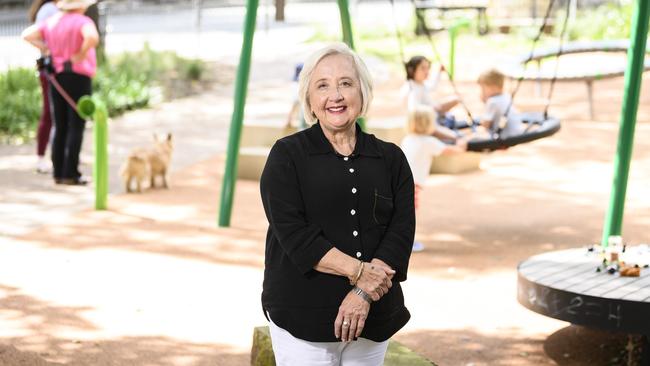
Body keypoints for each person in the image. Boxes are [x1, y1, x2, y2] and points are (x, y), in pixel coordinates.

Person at [260, 43, 415, 366]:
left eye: (346, 83)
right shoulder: (287, 156)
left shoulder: (390, 158)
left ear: (363, 92)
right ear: (310, 101)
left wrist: (363, 294)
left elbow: (400, 233)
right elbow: (295, 235)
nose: (336, 95)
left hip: (373, 316)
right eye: (323, 85)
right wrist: (359, 272)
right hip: (302, 317)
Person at [22, 0, 99, 185]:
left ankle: (58, 172)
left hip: (56, 76)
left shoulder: (52, 21)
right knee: (76, 124)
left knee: (60, 123)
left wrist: (47, 49)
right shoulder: (82, 22)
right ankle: (71, 173)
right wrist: (80, 54)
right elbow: (92, 38)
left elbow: (27, 35)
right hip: (78, 76)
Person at [400, 106, 467, 252]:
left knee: (401, 212)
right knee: (409, 214)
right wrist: (462, 142)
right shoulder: (428, 141)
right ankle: (407, 243)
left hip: (399, 181)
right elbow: (454, 151)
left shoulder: (409, 139)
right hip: (412, 184)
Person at [28, 0, 59, 173]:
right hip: (50, 69)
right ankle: (41, 158)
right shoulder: (49, 10)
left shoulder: (53, 8)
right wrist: (48, 50)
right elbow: (32, 35)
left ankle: (62, 154)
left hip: (55, 68)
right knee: (49, 113)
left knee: (58, 114)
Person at [400, 55, 459, 141]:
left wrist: (439, 72)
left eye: (428, 68)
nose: (427, 71)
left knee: (456, 99)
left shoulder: (420, 83)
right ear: (411, 70)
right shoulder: (411, 89)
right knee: (454, 136)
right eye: (423, 68)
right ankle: (447, 133)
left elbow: (432, 86)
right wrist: (432, 108)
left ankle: (444, 123)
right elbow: (414, 111)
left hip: (433, 115)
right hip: (423, 122)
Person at [477, 68, 525, 139]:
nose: (482, 92)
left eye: (483, 88)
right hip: (517, 132)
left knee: (475, 135)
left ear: (493, 87)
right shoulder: (506, 96)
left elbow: (485, 125)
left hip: (505, 136)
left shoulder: (492, 101)